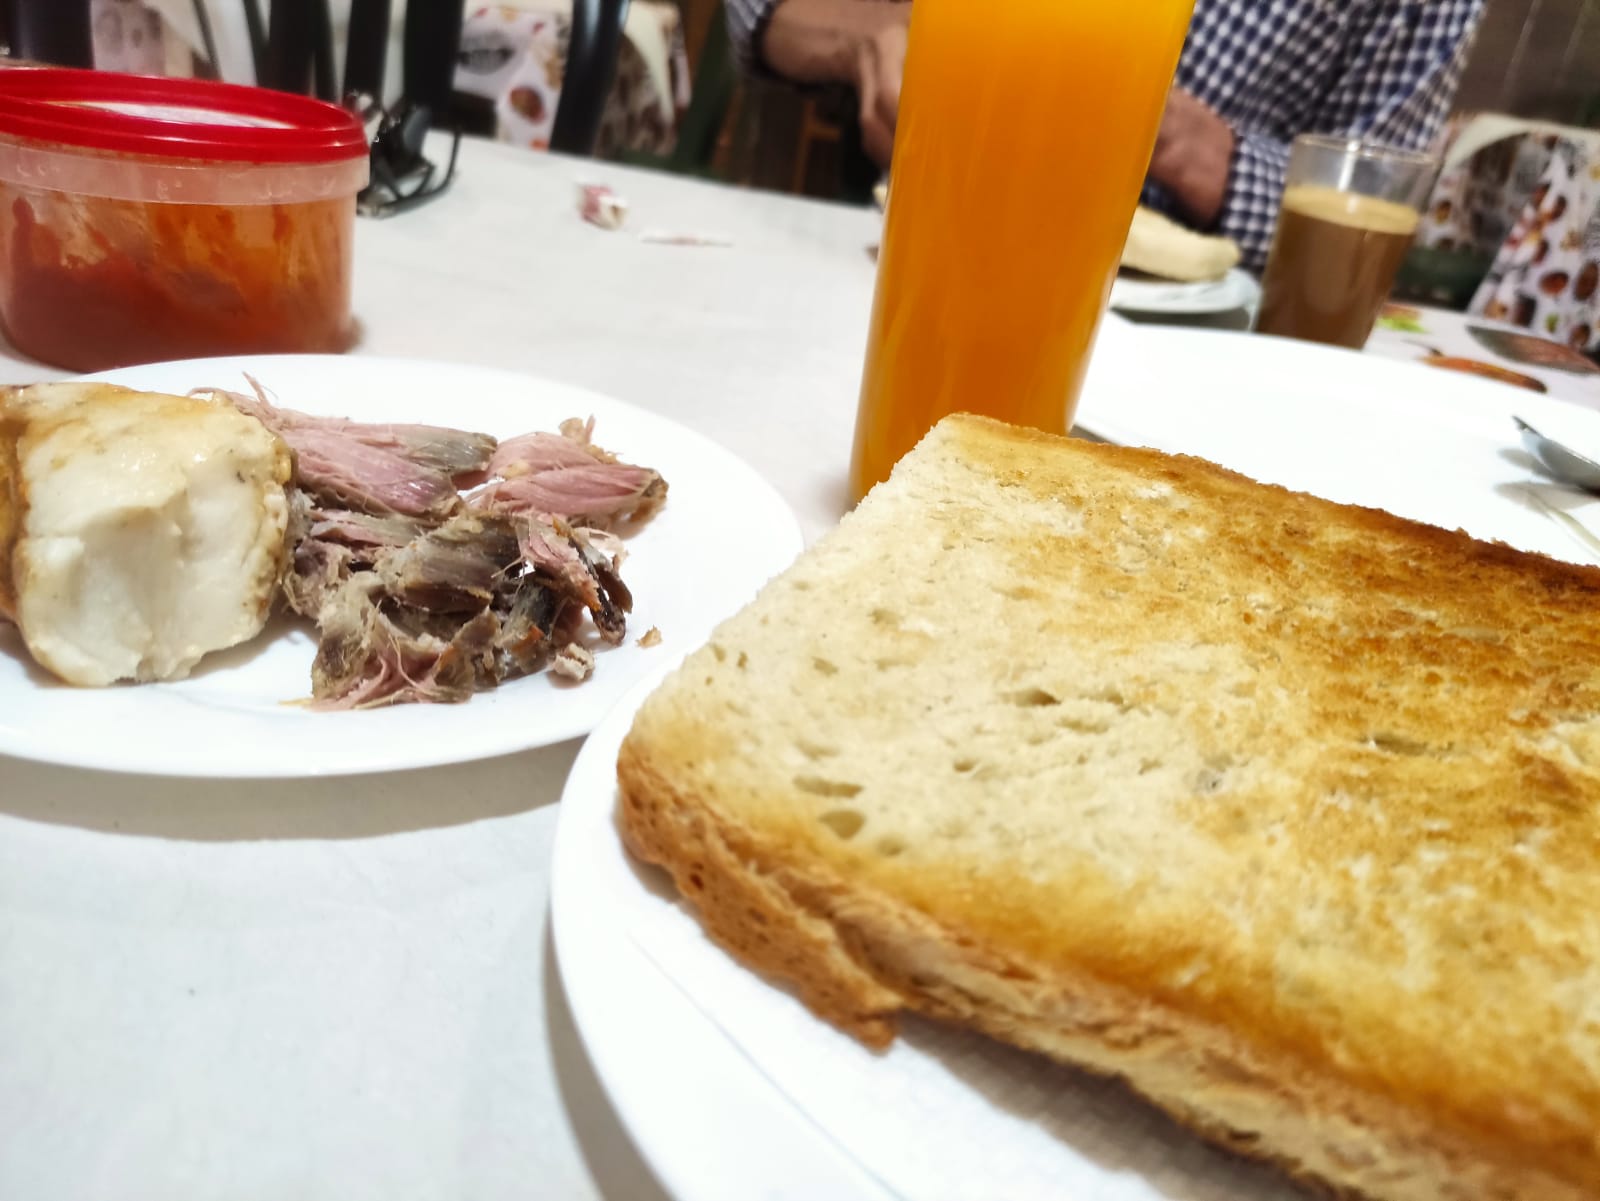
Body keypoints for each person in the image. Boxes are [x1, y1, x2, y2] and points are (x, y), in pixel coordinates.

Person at [725, 0, 1487, 268]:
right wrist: (871, 34)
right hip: (892, 244)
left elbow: (1374, 209)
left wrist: (1203, 155)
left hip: (1207, 340)